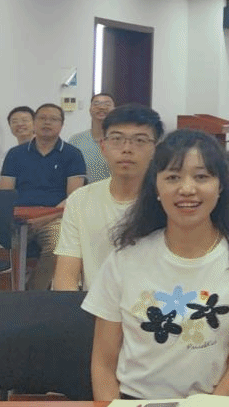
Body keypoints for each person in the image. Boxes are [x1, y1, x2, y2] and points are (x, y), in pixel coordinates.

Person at [83, 129, 229, 400]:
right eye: (173, 177)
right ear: (156, 188)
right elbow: (103, 365)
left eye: (201, 177)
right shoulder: (125, 257)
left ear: (221, 186)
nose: (187, 189)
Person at [53, 105, 164, 291]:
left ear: (155, 149)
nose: (127, 149)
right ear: (103, 147)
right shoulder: (80, 200)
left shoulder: (167, 200)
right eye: (117, 139)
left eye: (140, 140)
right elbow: (66, 275)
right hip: (94, 305)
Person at [0, 102, 86, 290]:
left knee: (57, 245)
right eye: (42, 118)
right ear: (34, 123)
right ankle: (8, 290)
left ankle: (33, 293)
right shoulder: (15, 154)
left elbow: (73, 197)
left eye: (53, 119)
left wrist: (43, 218)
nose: (47, 123)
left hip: (54, 217)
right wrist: (19, 218)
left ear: (62, 124)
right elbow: (5, 194)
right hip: (18, 218)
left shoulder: (72, 154)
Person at [69, 92, 116, 183]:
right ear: (90, 109)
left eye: (107, 104)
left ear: (114, 110)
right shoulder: (75, 140)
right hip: (85, 190)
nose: (101, 107)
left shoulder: (121, 141)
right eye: (96, 104)